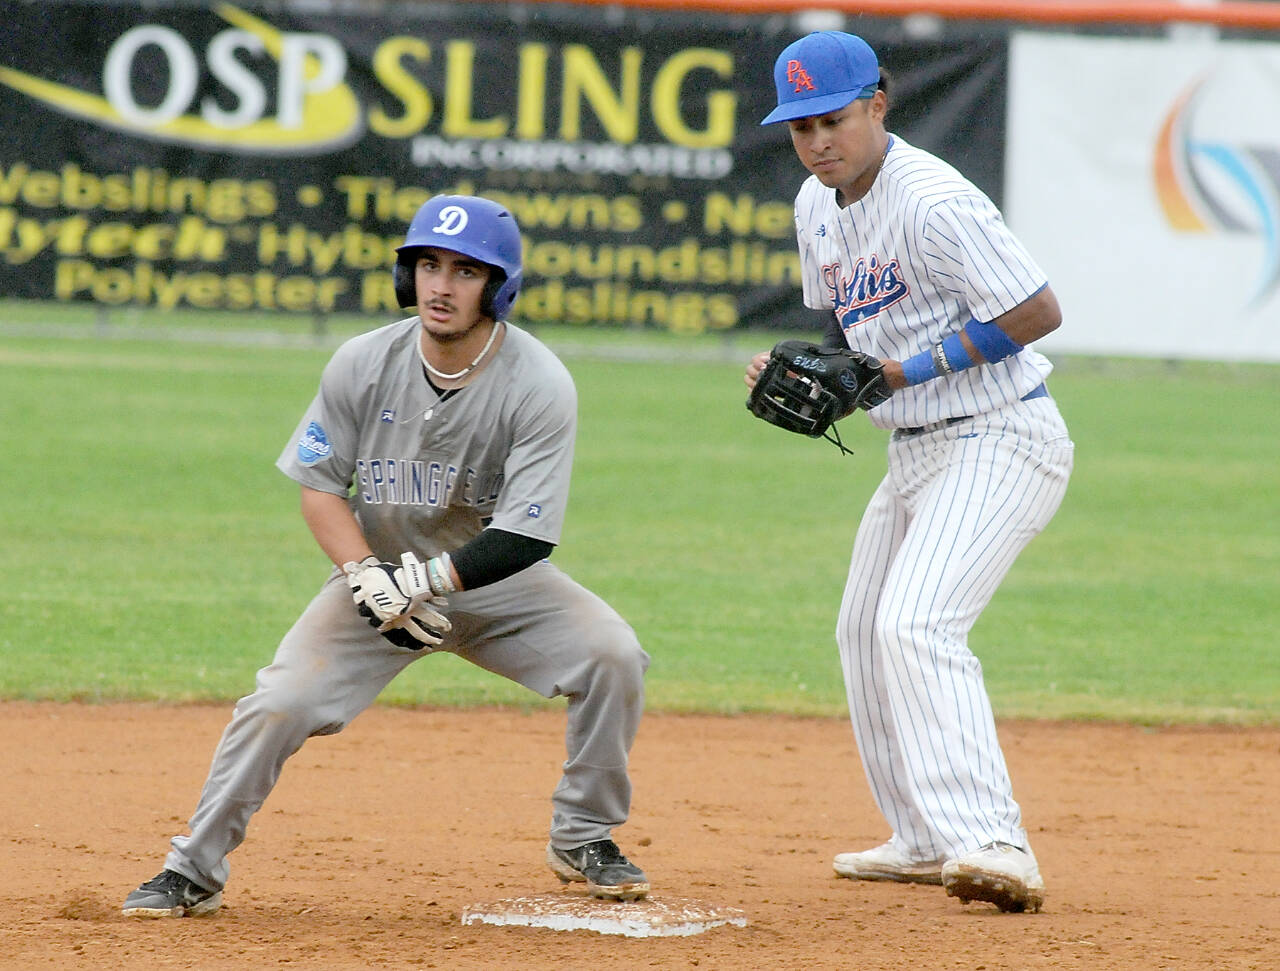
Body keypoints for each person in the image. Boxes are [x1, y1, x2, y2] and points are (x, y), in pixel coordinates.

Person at [123, 194, 651, 917]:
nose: (440, 285)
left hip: (496, 582)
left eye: (466, 270)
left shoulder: (539, 382)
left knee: (613, 653)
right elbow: (318, 488)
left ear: (499, 288)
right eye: (427, 265)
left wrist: (422, 582)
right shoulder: (363, 362)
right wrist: (367, 576)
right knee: (279, 701)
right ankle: (193, 867)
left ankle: (584, 835)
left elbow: (527, 535)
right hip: (374, 580)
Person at [747, 31, 1074, 913]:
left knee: (916, 623)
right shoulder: (817, 208)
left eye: (834, 118)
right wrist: (817, 375)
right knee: (863, 631)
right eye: (800, 125)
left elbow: (1036, 310)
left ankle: (993, 839)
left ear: (878, 104)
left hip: (1002, 435)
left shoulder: (932, 200)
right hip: (917, 448)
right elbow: (852, 339)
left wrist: (895, 374)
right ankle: (925, 835)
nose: (818, 140)